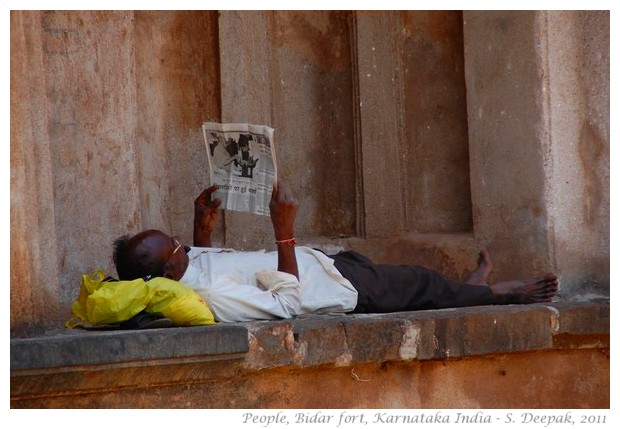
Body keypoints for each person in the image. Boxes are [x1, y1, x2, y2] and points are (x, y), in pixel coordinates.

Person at [112, 184, 558, 323]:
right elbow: (286, 303)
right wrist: (283, 230)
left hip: (328, 262)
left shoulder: (184, 272)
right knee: (419, 283)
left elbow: (211, 267)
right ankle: (501, 293)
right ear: (167, 269)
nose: (182, 241)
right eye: (176, 242)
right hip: (337, 288)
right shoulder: (209, 296)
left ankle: (467, 290)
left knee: (421, 285)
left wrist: (200, 229)